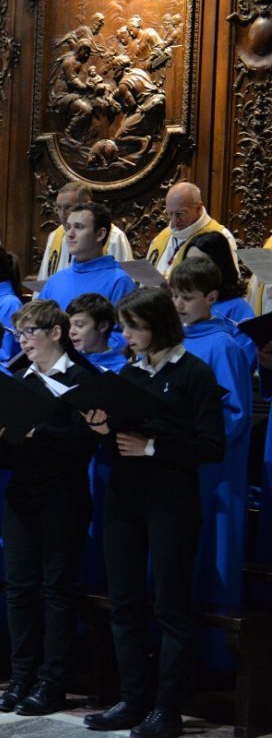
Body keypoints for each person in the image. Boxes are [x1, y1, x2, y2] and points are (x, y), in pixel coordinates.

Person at [82, 288, 224, 738]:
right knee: (124, 603)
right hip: (124, 498)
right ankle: (132, 697)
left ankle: (168, 708)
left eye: (132, 327)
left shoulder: (194, 373)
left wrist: (154, 446)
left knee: (170, 606)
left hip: (171, 501)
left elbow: (211, 445)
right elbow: (116, 443)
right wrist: (103, 430)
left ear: (157, 325)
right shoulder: (128, 373)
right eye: (123, 327)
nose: (124, 336)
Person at [0, 301, 97, 717]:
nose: (23, 341)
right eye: (20, 334)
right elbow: (11, 451)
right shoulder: (18, 380)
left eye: (30, 333)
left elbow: (86, 443)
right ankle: (21, 675)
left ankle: (52, 682)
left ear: (56, 333)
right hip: (22, 495)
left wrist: (36, 431)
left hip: (63, 496)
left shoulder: (81, 378)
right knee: (19, 589)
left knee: (57, 592)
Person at [168, 257, 251, 610]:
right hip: (174, 463)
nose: (178, 305)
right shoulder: (172, 342)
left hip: (210, 469)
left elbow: (235, 413)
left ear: (212, 297)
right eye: (173, 296)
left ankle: (212, 653)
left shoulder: (223, 345)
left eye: (187, 297)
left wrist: (192, 441)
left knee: (210, 548)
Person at [39, 202, 136, 311]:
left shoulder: (119, 281)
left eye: (79, 227)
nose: (70, 234)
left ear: (100, 234)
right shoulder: (55, 281)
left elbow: (124, 327)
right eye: (68, 227)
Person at [185, 231, 256, 368]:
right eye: (187, 262)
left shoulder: (238, 310)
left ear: (219, 267)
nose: (190, 270)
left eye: (200, 264)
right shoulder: (180, 304)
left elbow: (242, 364)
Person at [37, 182, 132, 280]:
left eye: (68, 207)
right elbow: (43, 280)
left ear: (87, 205)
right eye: (59, 208)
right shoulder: (55, 236)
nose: (62, 214)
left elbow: (125, 281)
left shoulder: (115, 237)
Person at [145, 181, 236, 275]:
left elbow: (226, 280)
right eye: (170, 213)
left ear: (199, 208)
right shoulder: (162, 237)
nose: (175, 220)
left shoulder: (220, 237)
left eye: (180, 213)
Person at [66, 293, 126, 372]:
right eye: (69, 325)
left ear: (103, 326)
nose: (71, 332)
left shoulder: (120, 368)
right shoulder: (66, 358)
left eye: (79, 325)